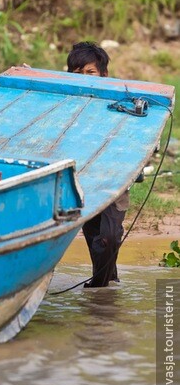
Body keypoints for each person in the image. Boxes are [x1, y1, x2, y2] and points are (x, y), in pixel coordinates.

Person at [66, 41, 129, 287]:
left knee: (110, 236)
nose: (84, 79)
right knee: (96, 238)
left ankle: (100, 288)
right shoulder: (65, 102)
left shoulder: (120, 102)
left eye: (90, 72)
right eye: (77, 73)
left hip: (115, 178)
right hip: (83, 180)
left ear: (104, 74)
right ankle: (105, 286)